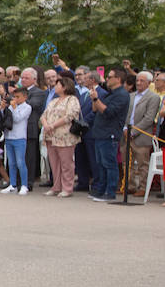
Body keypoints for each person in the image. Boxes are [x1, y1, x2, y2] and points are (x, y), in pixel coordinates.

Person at [86, 67, 130, 202]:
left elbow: (109, 112)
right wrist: (94, 98)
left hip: (110, 133)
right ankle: (101, 189)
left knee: (109, 163)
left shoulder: (122, 95)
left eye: (110, 77)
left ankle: (110, 192)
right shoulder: (109, 93)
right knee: (100, 163)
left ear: (118, 79)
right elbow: (96, 109)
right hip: (100, 132)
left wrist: (96, 99)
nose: (107, 79)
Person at [41, 74, 82, 197]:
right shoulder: (53, 100)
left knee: (66, 163)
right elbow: (44, 114)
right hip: (50, 136)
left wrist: (53, 125)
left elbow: (70, 115)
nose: (56, 86)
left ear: (64, 87)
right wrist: (46, 124)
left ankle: (67, 187)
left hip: (64, 135)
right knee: (54, 162)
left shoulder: (72, 100)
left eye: (58, 84)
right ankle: (56, 186)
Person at [124, 70, 161, 197]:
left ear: (149, 83)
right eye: (137, 80)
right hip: (126, 134)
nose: (138, 83)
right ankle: (130, 185)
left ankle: (143, 187)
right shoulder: (131, 96)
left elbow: (149, 118)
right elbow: (126, 115)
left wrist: (133, 132)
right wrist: (125, 128)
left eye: (142, 81)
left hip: (142, 135)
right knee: (127, 162)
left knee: (142, 163)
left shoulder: (153, 97)